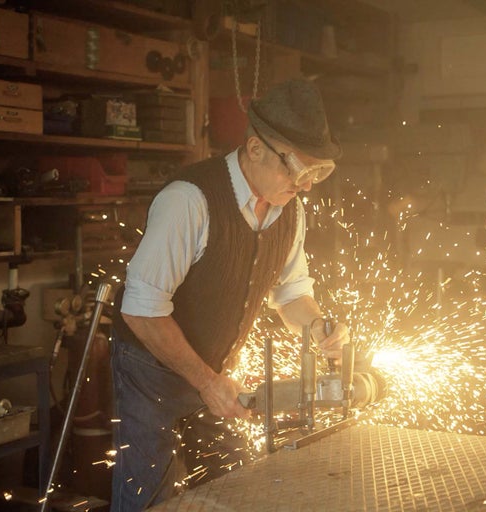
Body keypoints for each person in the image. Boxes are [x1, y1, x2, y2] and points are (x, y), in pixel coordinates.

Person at [109, 78, 349, 511]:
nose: (306, 185)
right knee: (150, 496)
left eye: (316, 173)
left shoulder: (289, 210)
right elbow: (142, 312)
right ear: (255, 149)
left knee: (235, 488)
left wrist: (316, 326)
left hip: (218, 372)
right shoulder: (189, 201)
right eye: (298, 170)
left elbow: (291, 295)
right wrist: (206, 382)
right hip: (151, 370)